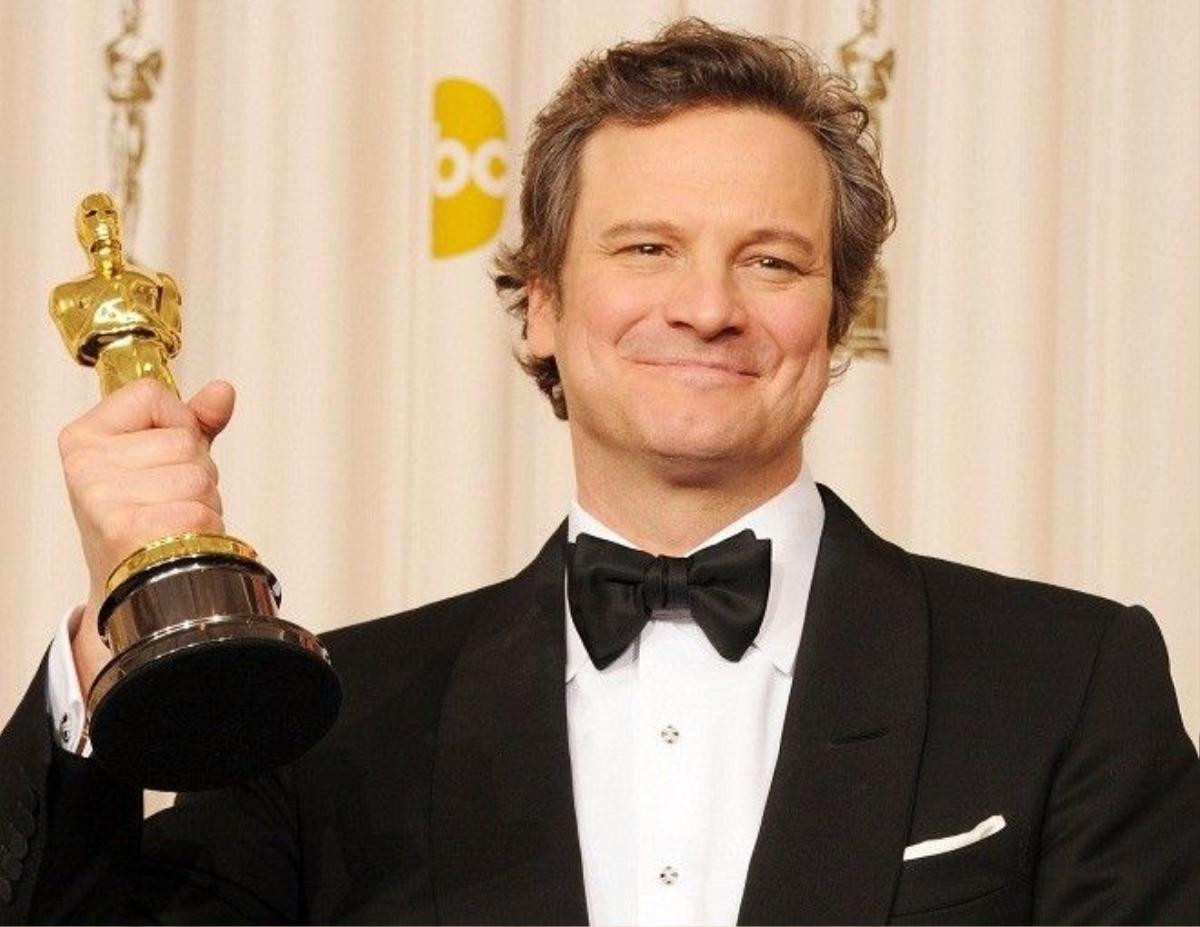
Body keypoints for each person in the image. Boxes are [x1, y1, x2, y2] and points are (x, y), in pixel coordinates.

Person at [1, 18, 1197, 925]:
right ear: (541, 307)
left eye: (773, 261)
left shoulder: (1069, 684)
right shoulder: (335, 726)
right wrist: (127, 626)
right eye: (647, 248)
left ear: (836, 324)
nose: (710, 307)